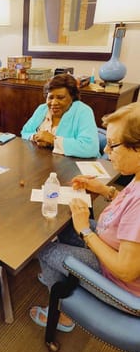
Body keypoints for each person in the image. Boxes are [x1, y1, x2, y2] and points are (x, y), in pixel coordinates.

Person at [30, 102, 140, 331]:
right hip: (114, 246)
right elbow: (129, 214)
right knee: (62, 227)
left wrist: (86, 231)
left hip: (121, 287)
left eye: (112, 145)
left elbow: (126, 270)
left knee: (43, 248)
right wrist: (106, 191)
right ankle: (59, 273)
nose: (107, 152)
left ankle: (62, 314)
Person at [21, 74, 100, 158]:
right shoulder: (42, 109)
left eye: (60, 97)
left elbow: (90, 148)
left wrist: (53, 140)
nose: (54, 103)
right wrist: (36, 137)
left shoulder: (83, 111)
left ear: (72, 97)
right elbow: (25, 132)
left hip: (74, 166)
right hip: (45, 161)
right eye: (50, 97)